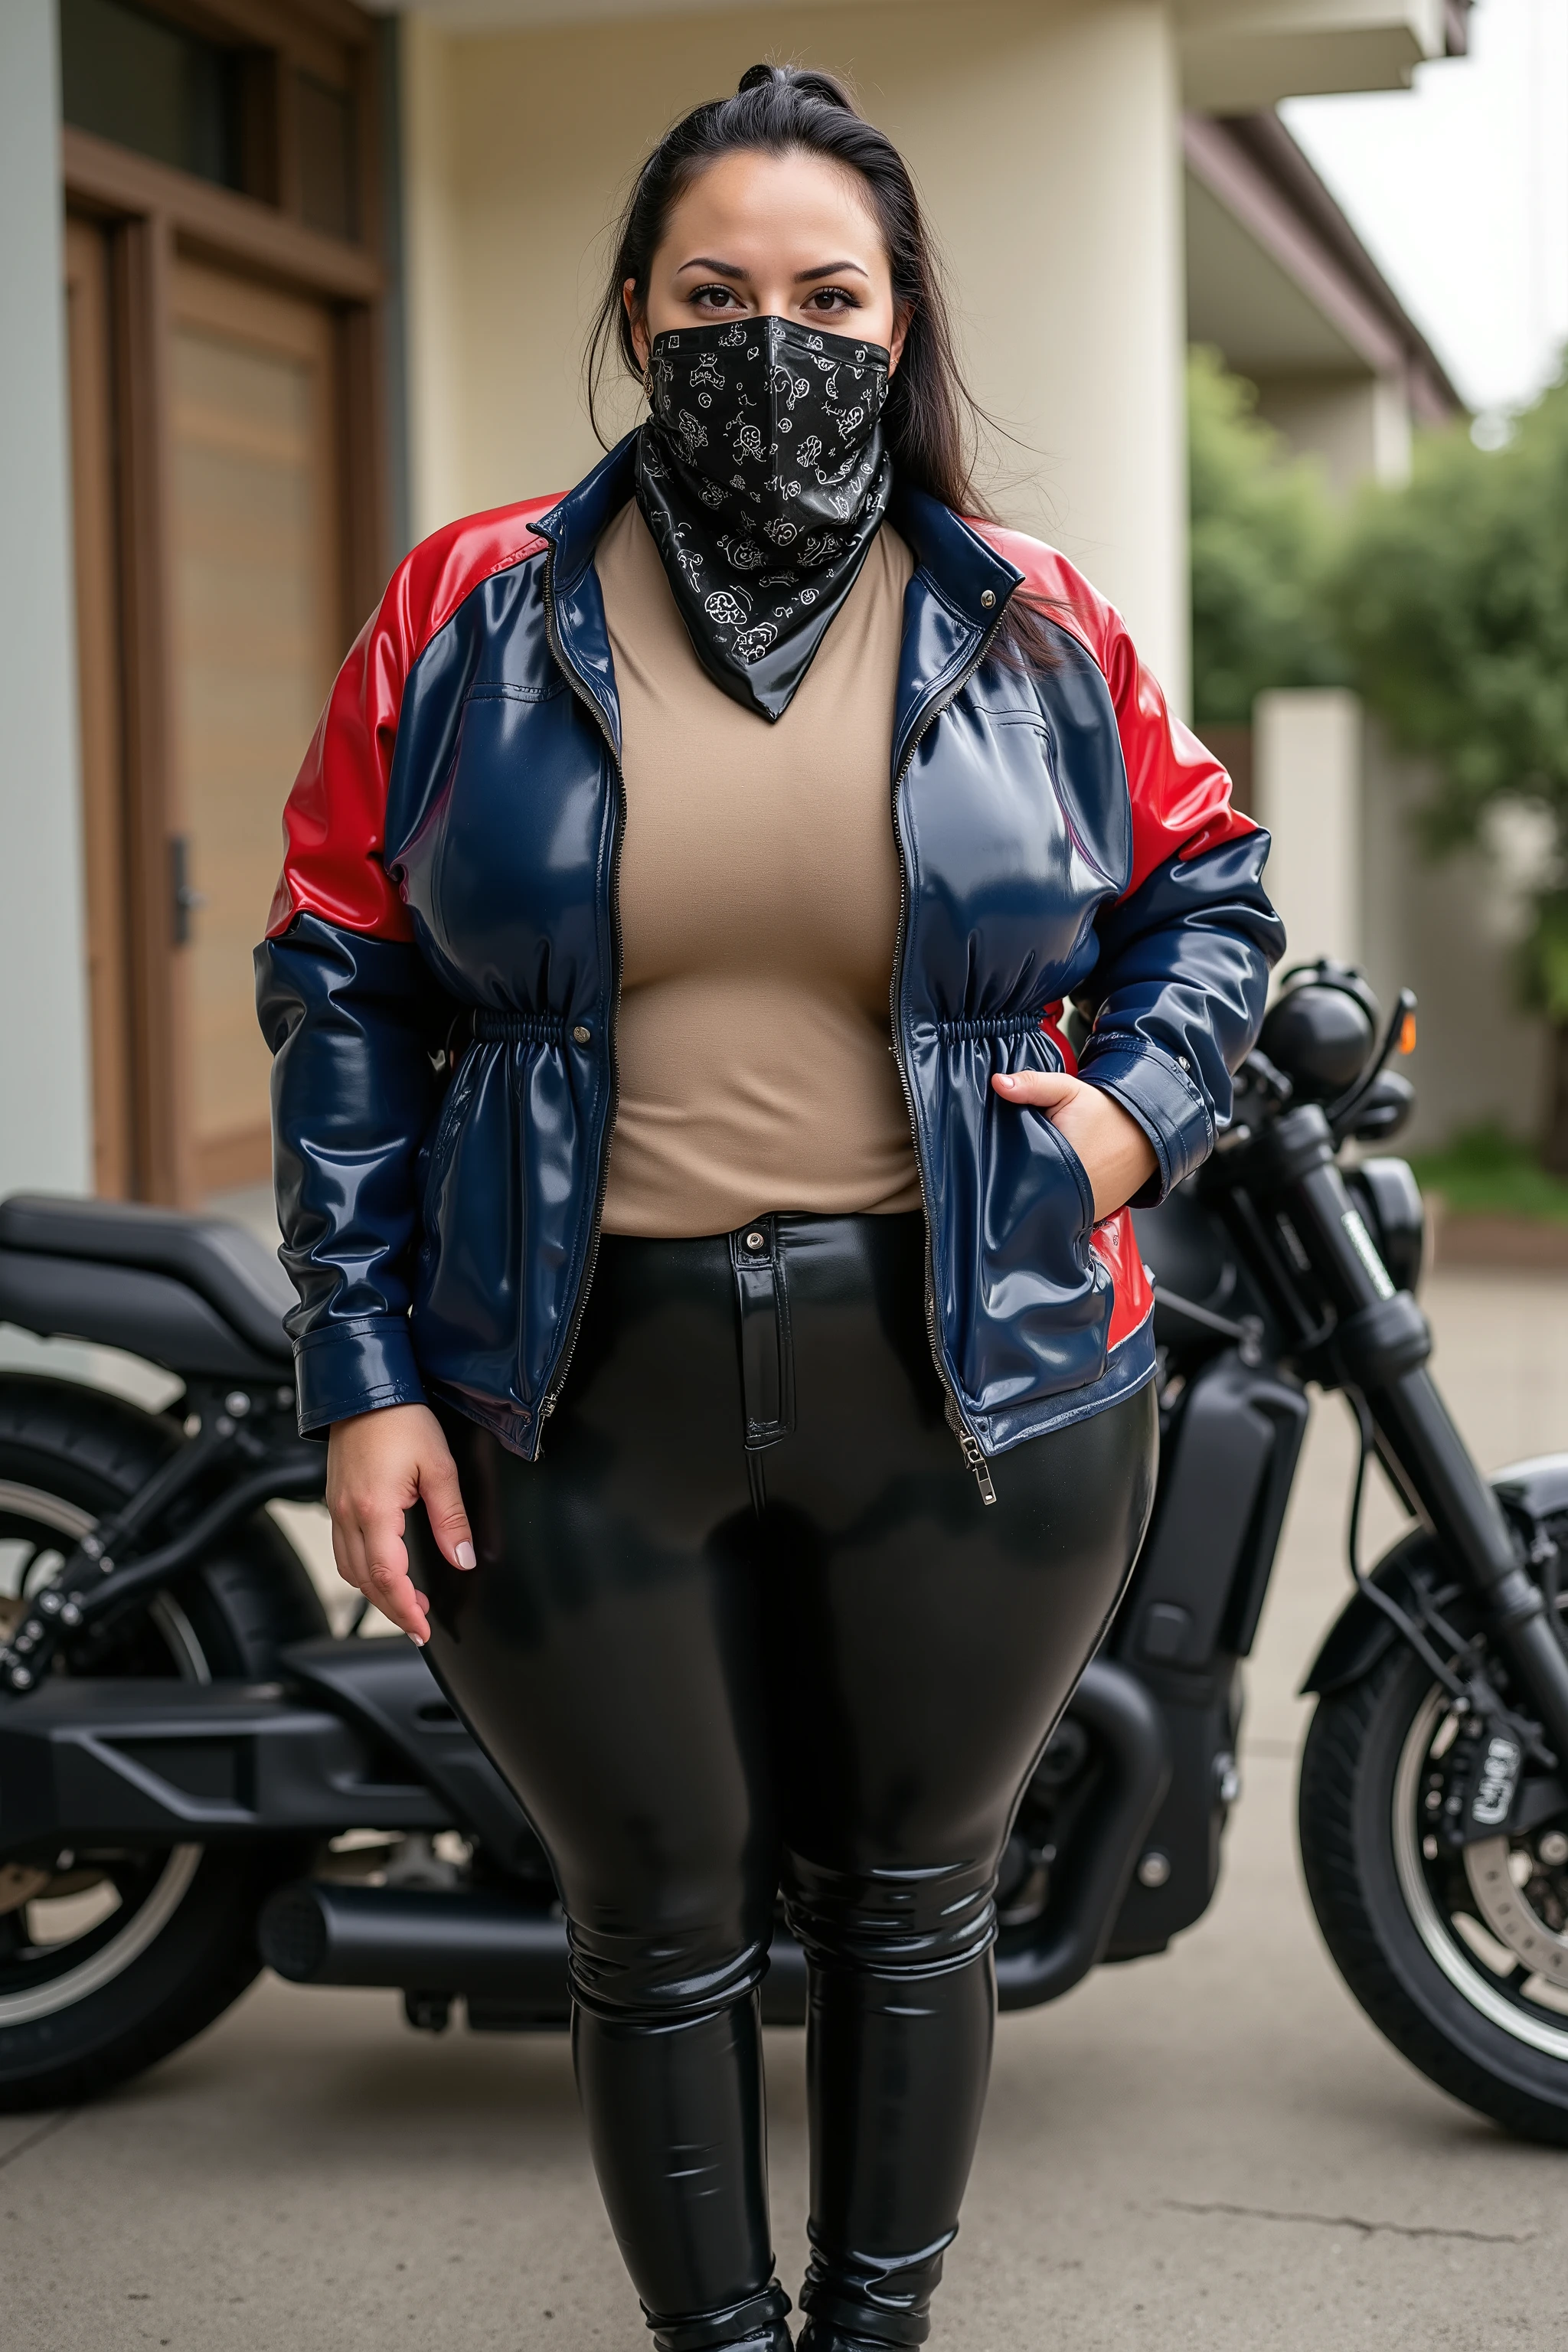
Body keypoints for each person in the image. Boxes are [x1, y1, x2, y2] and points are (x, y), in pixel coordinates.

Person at [257, 64, 1282, 2352]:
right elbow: (339, 975)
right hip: (559, 1376)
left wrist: (1125, 1121)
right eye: (715, 292)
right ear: (635, 313)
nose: (773, 336)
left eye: (830, 294)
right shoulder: (471, 605)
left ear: (904, 325)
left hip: (976, 1364)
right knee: (653, 1911)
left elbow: (1209, 894)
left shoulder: (1032, 618)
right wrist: (363, 1379)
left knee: (918, 1899)